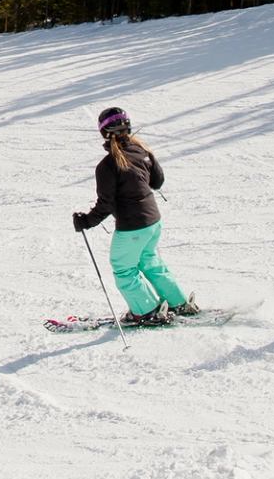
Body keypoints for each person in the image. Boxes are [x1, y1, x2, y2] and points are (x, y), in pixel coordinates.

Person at [73, 107, 200, 326]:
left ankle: (146, 310)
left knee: (123, 268)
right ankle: (177, 302)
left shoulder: (108, 165)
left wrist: (85, 221)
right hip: (153, 222)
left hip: (133, 227)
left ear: (104, 132)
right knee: (149, 262)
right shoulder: (142, 151)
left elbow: (106, 204)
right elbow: (157, 182)